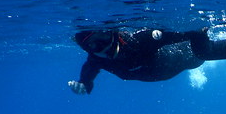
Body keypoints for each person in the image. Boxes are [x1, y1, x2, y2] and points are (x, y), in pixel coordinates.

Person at [68, 28, 203, 94]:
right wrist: (83, 84)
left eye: (103, 36)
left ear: (112, 33)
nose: (104, 46)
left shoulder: (139, 39)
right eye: (93, 44)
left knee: (199, 58)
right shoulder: (96, 60)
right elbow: (87, 79)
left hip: (181, 59)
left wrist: (200, 35)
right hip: (161, 73)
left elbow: (189, 33)